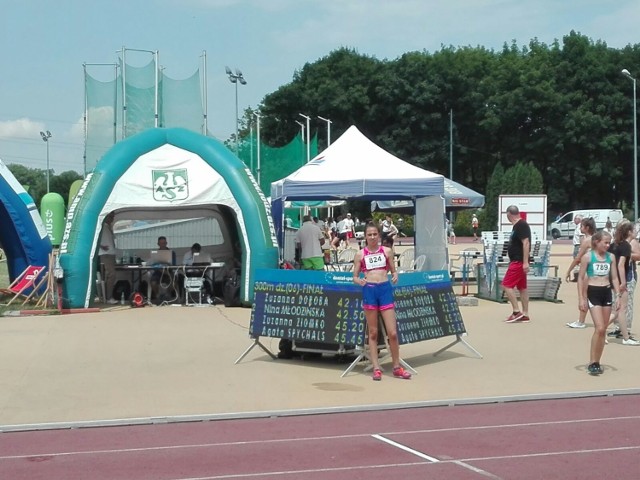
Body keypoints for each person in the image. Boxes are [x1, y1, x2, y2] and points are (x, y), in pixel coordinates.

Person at [352, 221, 411, 381]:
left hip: (384, 289)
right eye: (369, 235)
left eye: (374, 234)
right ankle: (376, 368)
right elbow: (355, 277)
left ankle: (397, 366)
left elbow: (393, 270)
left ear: (379, 235)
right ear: (365, 236)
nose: (372, 237)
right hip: (370, 290)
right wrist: (360, 281)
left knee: (392, 332)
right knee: (373, 332)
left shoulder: (387, 251)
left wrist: (395, 275)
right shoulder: (360, 254)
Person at [578, 231, 622, 375]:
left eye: (609, 242)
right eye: (605, 242)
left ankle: (598, 360)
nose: (608, 245)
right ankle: (592, 361)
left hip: (606, 292)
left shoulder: (611, 257)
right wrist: (581, 298)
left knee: (603, 330)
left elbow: (614, 277)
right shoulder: (587, 257)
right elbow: (580, 278)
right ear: (597, 242)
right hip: (593, 292)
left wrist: (618, 296)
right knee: (600, 328)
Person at [606, 220, 639, 345]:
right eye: (634, 230)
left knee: (618, 309)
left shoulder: (614, 245)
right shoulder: (625, 245)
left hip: (613, 278)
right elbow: (621, 265)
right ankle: (622, 336)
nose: (635, 232)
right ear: (629, 232)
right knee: (621, 309)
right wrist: (623, 282)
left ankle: (624, 335)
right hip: (621, 279)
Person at [565, 217, 596, 328]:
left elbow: (578, 257)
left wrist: (569, 270)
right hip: (596, 270)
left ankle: (581, 321)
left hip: (588, 270)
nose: (580, 228)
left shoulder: (587, 240)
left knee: (584, 295)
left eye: (582, 226)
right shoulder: (596, 238)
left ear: (587, 228)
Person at [502, 205, 531, 323]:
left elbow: (526, 243)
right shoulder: (517, 226)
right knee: (522, 287)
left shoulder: (521, 225)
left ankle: (516, 311)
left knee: (506, 285)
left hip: (518, 261)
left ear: (509, 214)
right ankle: (525, 314)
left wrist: (525, 262)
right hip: (518, 260)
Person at [98, 212, 118, 304]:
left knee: (109, 276)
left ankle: (106, 296)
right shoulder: (102, 227)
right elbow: (96, 239)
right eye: (110, 216)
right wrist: (101, 246)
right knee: (111, 275)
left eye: (113, 217)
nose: (112, 219)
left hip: (110, 254)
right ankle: (108, 297)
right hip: (106, 254)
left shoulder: (108, 227)